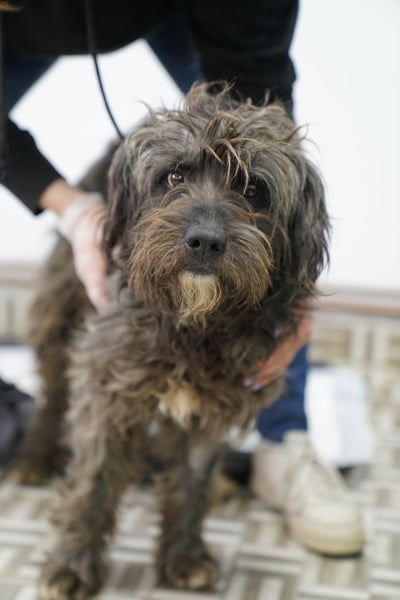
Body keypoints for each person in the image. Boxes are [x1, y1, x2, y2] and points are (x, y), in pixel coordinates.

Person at [0, 0, 363, 556]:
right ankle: (48, 453)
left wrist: (302, 294)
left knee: (260, 130)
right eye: (175, 179)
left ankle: (283, 443)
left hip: (197, 10)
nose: (207, 231)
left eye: (248, 192)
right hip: (29, 28)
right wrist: (72, 209)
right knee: (67, 350)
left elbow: (264, 97)